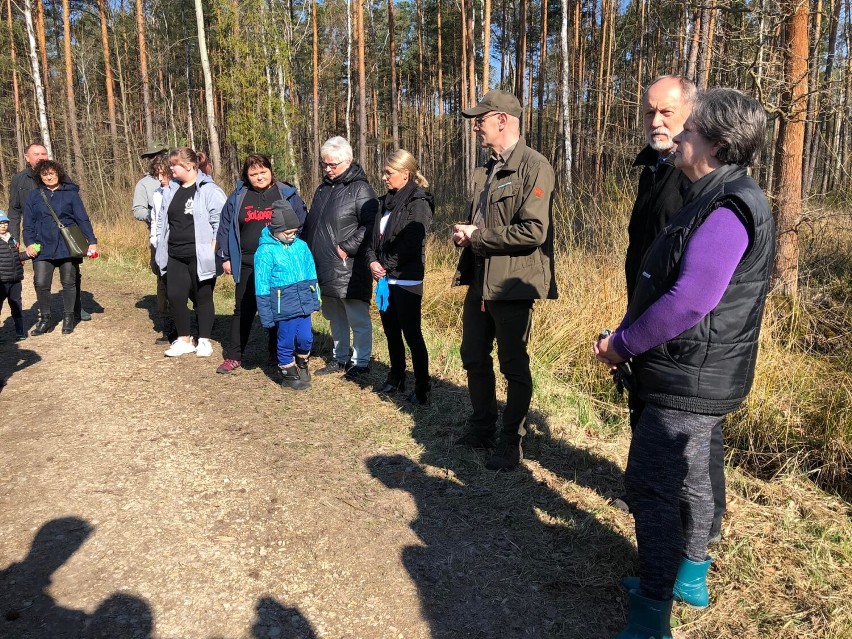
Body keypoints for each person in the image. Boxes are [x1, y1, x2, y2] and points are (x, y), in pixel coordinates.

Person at [594, 88, 775, 639]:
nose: (678, 136)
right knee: (692, 477)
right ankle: (689, 577)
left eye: (689, 130)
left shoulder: (729, 207)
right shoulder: (714, 193)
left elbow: (691, 299)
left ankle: (652, 613)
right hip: (696, 371)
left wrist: (623, 344)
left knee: (650, 487)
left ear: (716, 144)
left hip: (688, 374)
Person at [618, 76, 726, 547]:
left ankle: (702, 534)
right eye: (649, 112)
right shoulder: (654, 168)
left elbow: (697, 275)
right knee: (645, 412)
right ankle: (656, 505)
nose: (656, 121)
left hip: (686, 332)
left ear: (692, 117)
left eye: (667, 112)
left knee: (697, 441)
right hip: (646, 315)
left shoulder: (699, 176)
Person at [452, 89, 557, 471]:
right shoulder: (483, 170)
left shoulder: (534, 166)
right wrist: (466, 233)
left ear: (502, 120)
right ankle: (482, 427)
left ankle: (511, 441)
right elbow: (485, 224)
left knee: (513, 365)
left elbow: (533, 231)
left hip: (513, 285)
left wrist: (477, 237)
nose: (476, 126)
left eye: (480, 119)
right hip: (480, 279)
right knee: (473, 356)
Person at [215, 153, 308, 373]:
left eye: (263, 172)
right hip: (247, 264)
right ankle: (234, 355)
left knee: (279, 310)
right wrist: (226, 257)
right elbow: (225, 227)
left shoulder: (286, 194)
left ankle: (277, 354)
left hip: (279, 265)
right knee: (243, 310)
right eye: (253, 174)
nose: (259, 177)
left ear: (271, 171)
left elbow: (302, 223)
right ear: (246, 176)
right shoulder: (238, 196)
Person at [302, 136, 378, 379]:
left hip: (349, 266)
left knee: (357, 317)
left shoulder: (361, 189)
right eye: (325, 164)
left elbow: (370, 226)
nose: (327, 169)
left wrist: (346, 247)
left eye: (332, 165)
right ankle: (340, 358)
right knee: (334, 316)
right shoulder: (323, 188)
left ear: (348, 161)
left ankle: (361, 361)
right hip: (323, 265)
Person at [366, 149, 434, 405]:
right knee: (391, 332)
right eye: (384, 172)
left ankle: (422, 385)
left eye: (389, 172)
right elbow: (372, 240)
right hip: (385, 279)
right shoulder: (383, 202)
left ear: (405, 174)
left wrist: (385, 265)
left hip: (406, 279)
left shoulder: (419, 202)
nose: (384, 177)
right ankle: (396, 377)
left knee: (411, 334)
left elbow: (412, 242)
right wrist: (372, 261)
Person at [154, 147, 226, 357]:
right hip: (174, 252)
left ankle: (204, 340)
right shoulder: (170, 190)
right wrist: (160, 246)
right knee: (175, 296)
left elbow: (220, 223)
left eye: (174, 165)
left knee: (203, 296)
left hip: (200, 254)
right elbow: (162, 221)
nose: (171, 169)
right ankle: (184, 339)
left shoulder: (209, 190)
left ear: (189, 166)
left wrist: (212, 250)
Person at [22, 160, 98, 335]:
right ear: (40, 176)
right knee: (41, 283)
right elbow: (28, 224)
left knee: (69, 282)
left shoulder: (71, 194)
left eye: (52, 173)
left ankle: (69, 317)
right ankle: (45, 320)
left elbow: (82, 219)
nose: (49, 176)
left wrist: (92, 241)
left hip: (66, 245)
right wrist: (30, 244)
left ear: (58, 173)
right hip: (42, 246)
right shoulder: (34, 196)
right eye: (45, 174)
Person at [255, 201, 320, 390]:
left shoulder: (301, 246)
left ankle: (302, 363)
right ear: (275, 230)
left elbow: (311, 273)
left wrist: (315, 299)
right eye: (288, 233)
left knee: (306, 338)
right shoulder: (265, 251)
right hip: (283, 306)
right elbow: (261, 285)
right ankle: (288, 375)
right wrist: (266, 315)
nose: (293, 236)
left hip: (303, 302)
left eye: (295, 232)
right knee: (286, 340)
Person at [132, 142, 172, 344]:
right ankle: (167, 327)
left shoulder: (178, 177)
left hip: (182, 239)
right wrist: (155, 215)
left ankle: (199, 320)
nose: (156, 158)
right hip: (158, 239)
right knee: (163, 281)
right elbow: (137, 210)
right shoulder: (144, 184)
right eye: (152, 156)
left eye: (160, 154)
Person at [8, 143, 49, 245]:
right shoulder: (19, 179)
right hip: (34, 235)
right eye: (36, 154)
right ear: (27, 158)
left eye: (43, 154)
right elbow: (14, 211)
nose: (41, 157)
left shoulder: (59, 176)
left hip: (60, 233)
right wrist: (14, 238)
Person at [0, 211, 26, 340]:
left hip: (15, 280)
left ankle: (20, 331)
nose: (3, 226)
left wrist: (28, 254)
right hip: (1, 281)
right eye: (0, 224)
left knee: (16, 304)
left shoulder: (12, 239)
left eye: (5, 223)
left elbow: (18, 257)